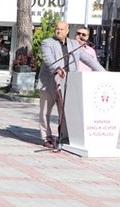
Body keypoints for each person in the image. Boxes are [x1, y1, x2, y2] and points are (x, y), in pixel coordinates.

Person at [39, 21, 105, 149]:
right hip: (49, 83)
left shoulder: (74, 44)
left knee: (65, 113)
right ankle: (46, 137)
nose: (59, 31)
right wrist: (57, 68)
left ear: (67, 30)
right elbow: (48, 59)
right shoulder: (47, 43)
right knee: (45, 112)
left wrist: (103, 72)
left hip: (68, 84)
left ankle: (62, 137)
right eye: (57, 29)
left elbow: (89, 60)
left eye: (62, 29)